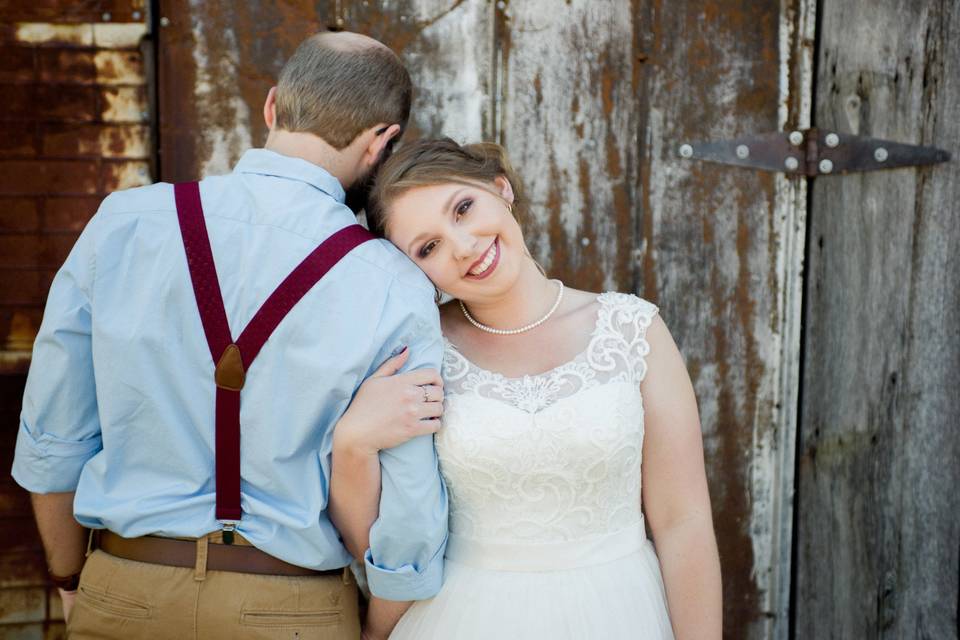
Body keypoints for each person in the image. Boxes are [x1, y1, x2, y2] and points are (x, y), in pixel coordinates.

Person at [11, 32, 448, 640]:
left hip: (124, 588)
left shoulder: (122, 225)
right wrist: (378, 625)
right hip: (294, 610)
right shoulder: (393, 281)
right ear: (383, 141)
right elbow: (409, 502)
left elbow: (52, 439)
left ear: (271, 107)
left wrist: (70, 580)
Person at [330, 138, 724, 639]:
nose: (465, 246)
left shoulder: (631, 329)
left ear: (501, 188)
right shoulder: (417, 354)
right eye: (428, 247)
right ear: (414, 270)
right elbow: (373, 534)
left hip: (619, 608)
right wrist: (352, 440)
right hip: (461, 615)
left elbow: (682, 520)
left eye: (464, 208)